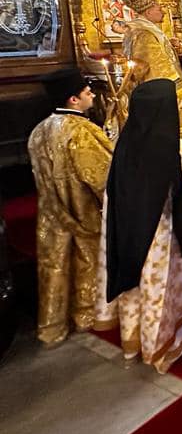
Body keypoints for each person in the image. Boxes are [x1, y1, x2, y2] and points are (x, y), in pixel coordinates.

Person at [95, 79, 182, 372]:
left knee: (152, 292)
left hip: (139, 244)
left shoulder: (125, 147)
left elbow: (113, 199)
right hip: (176, 243)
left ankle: (149, 341)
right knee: (181, 293)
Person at [27, 68, 113, 346]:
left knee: (55, 267)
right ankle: (86, 316)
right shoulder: (83, 132)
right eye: (87, 93)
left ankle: (51, 327)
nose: (92, 96)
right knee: (87, 262)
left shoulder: (39, 131)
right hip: (84, 212)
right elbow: (103, 176)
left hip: (51, 214)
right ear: (73, 100)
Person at [121, 0, 182, 135]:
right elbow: (157, 68)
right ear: (148, 12)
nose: (163, 11)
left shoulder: (140, 30)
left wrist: (168, 45)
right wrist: (177, 91)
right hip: (161, 99)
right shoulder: (144, 34)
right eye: (159, 8)